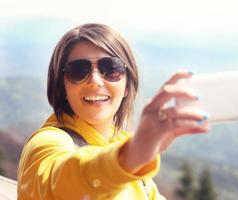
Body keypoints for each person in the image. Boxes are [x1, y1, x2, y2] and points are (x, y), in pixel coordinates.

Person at [17, 23, 210, 200]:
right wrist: (133, 155)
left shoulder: (122, 145)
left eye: (111, 68)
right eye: (78, 70)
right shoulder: (47, 142)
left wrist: (135, 153)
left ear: (127, 86)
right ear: (62, 88)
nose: (95, 80)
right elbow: (59, 185)